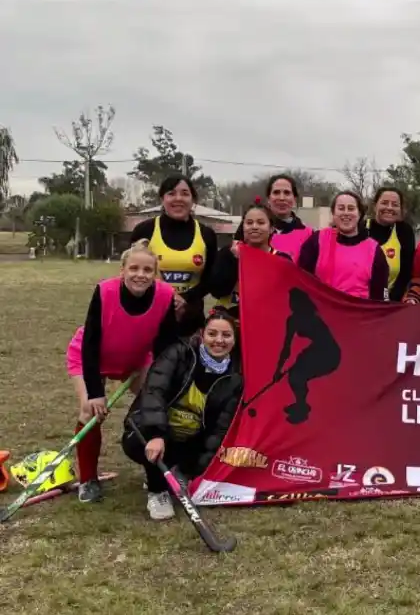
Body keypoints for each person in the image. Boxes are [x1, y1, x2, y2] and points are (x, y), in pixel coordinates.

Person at [65, 239, 179, 503]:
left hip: (136, 361)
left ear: (155, 273)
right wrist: (95, 392)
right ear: (123, 270)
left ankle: (156, 473)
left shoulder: (164, 295)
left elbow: (166, 346)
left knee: (158, 408)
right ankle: (88, 480)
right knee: (90, 413)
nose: (140, 275)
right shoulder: (104, 292)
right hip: (90, 358)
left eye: (148, 270)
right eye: (134, 269)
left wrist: (159, 385)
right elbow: (91, 343)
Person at [121, 312, 242, 521]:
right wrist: (156, 433)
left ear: (234, 339)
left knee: (199, 457)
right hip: (158, 432)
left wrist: (199, 470)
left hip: (190, 440)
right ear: (202, 334)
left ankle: (178, 472)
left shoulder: (235, 377)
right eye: (212, 334)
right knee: (140, 441)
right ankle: (157, 491)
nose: (219, 341)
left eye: (226, 335)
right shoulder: (180, 353)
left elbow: (220, 428)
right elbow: (153, 392)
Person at [130, 175, 218, 337]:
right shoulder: (144, 230)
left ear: (193, 199)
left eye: (185, 193)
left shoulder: (207, 234)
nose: (178, 199)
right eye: (171, 193)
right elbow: (132, 273)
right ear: (162, 198)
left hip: (191, 322)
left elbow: (210, 280)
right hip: (150, 320)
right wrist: (166, 297)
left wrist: (184, 299)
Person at [208, 200, 292, 323]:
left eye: (261, 223)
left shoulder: (282, 259)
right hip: (230, 327)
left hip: (266, 326)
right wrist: (235, 260)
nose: (254, 227)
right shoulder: (228, 253)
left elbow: (287, 300)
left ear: (272, 228)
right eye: (249, 223)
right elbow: (217, 291)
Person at [297, 191, 389, 301]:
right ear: (333, 213)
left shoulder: (374, 250)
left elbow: (380, 296)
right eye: (341, 208)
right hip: (321, 311)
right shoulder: (317, 240)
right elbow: (302, 280)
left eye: (351, 208)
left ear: (359, 214)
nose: (346, 213)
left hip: (358, 314)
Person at [273, 288, 342, 425]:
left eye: (293, 301)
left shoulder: (313, 319)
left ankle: (302, 409)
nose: (290, 304)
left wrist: (282, 370)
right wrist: (278, 370)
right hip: (316, 350)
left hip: (329, 353)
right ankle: (301, 403)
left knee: (297, 375)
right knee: (296, 373)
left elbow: (325, 342)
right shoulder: (292, 320)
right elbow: (287, 348)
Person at [365, 186, 416, 302]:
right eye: (384, 203)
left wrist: (391, 302)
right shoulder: (361, 228)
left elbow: (406, 273)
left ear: (400, 209)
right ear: (375, 206)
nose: (389, 207)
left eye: (395, 204)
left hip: (391, 303)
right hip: (360, 300)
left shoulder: (404, 231)